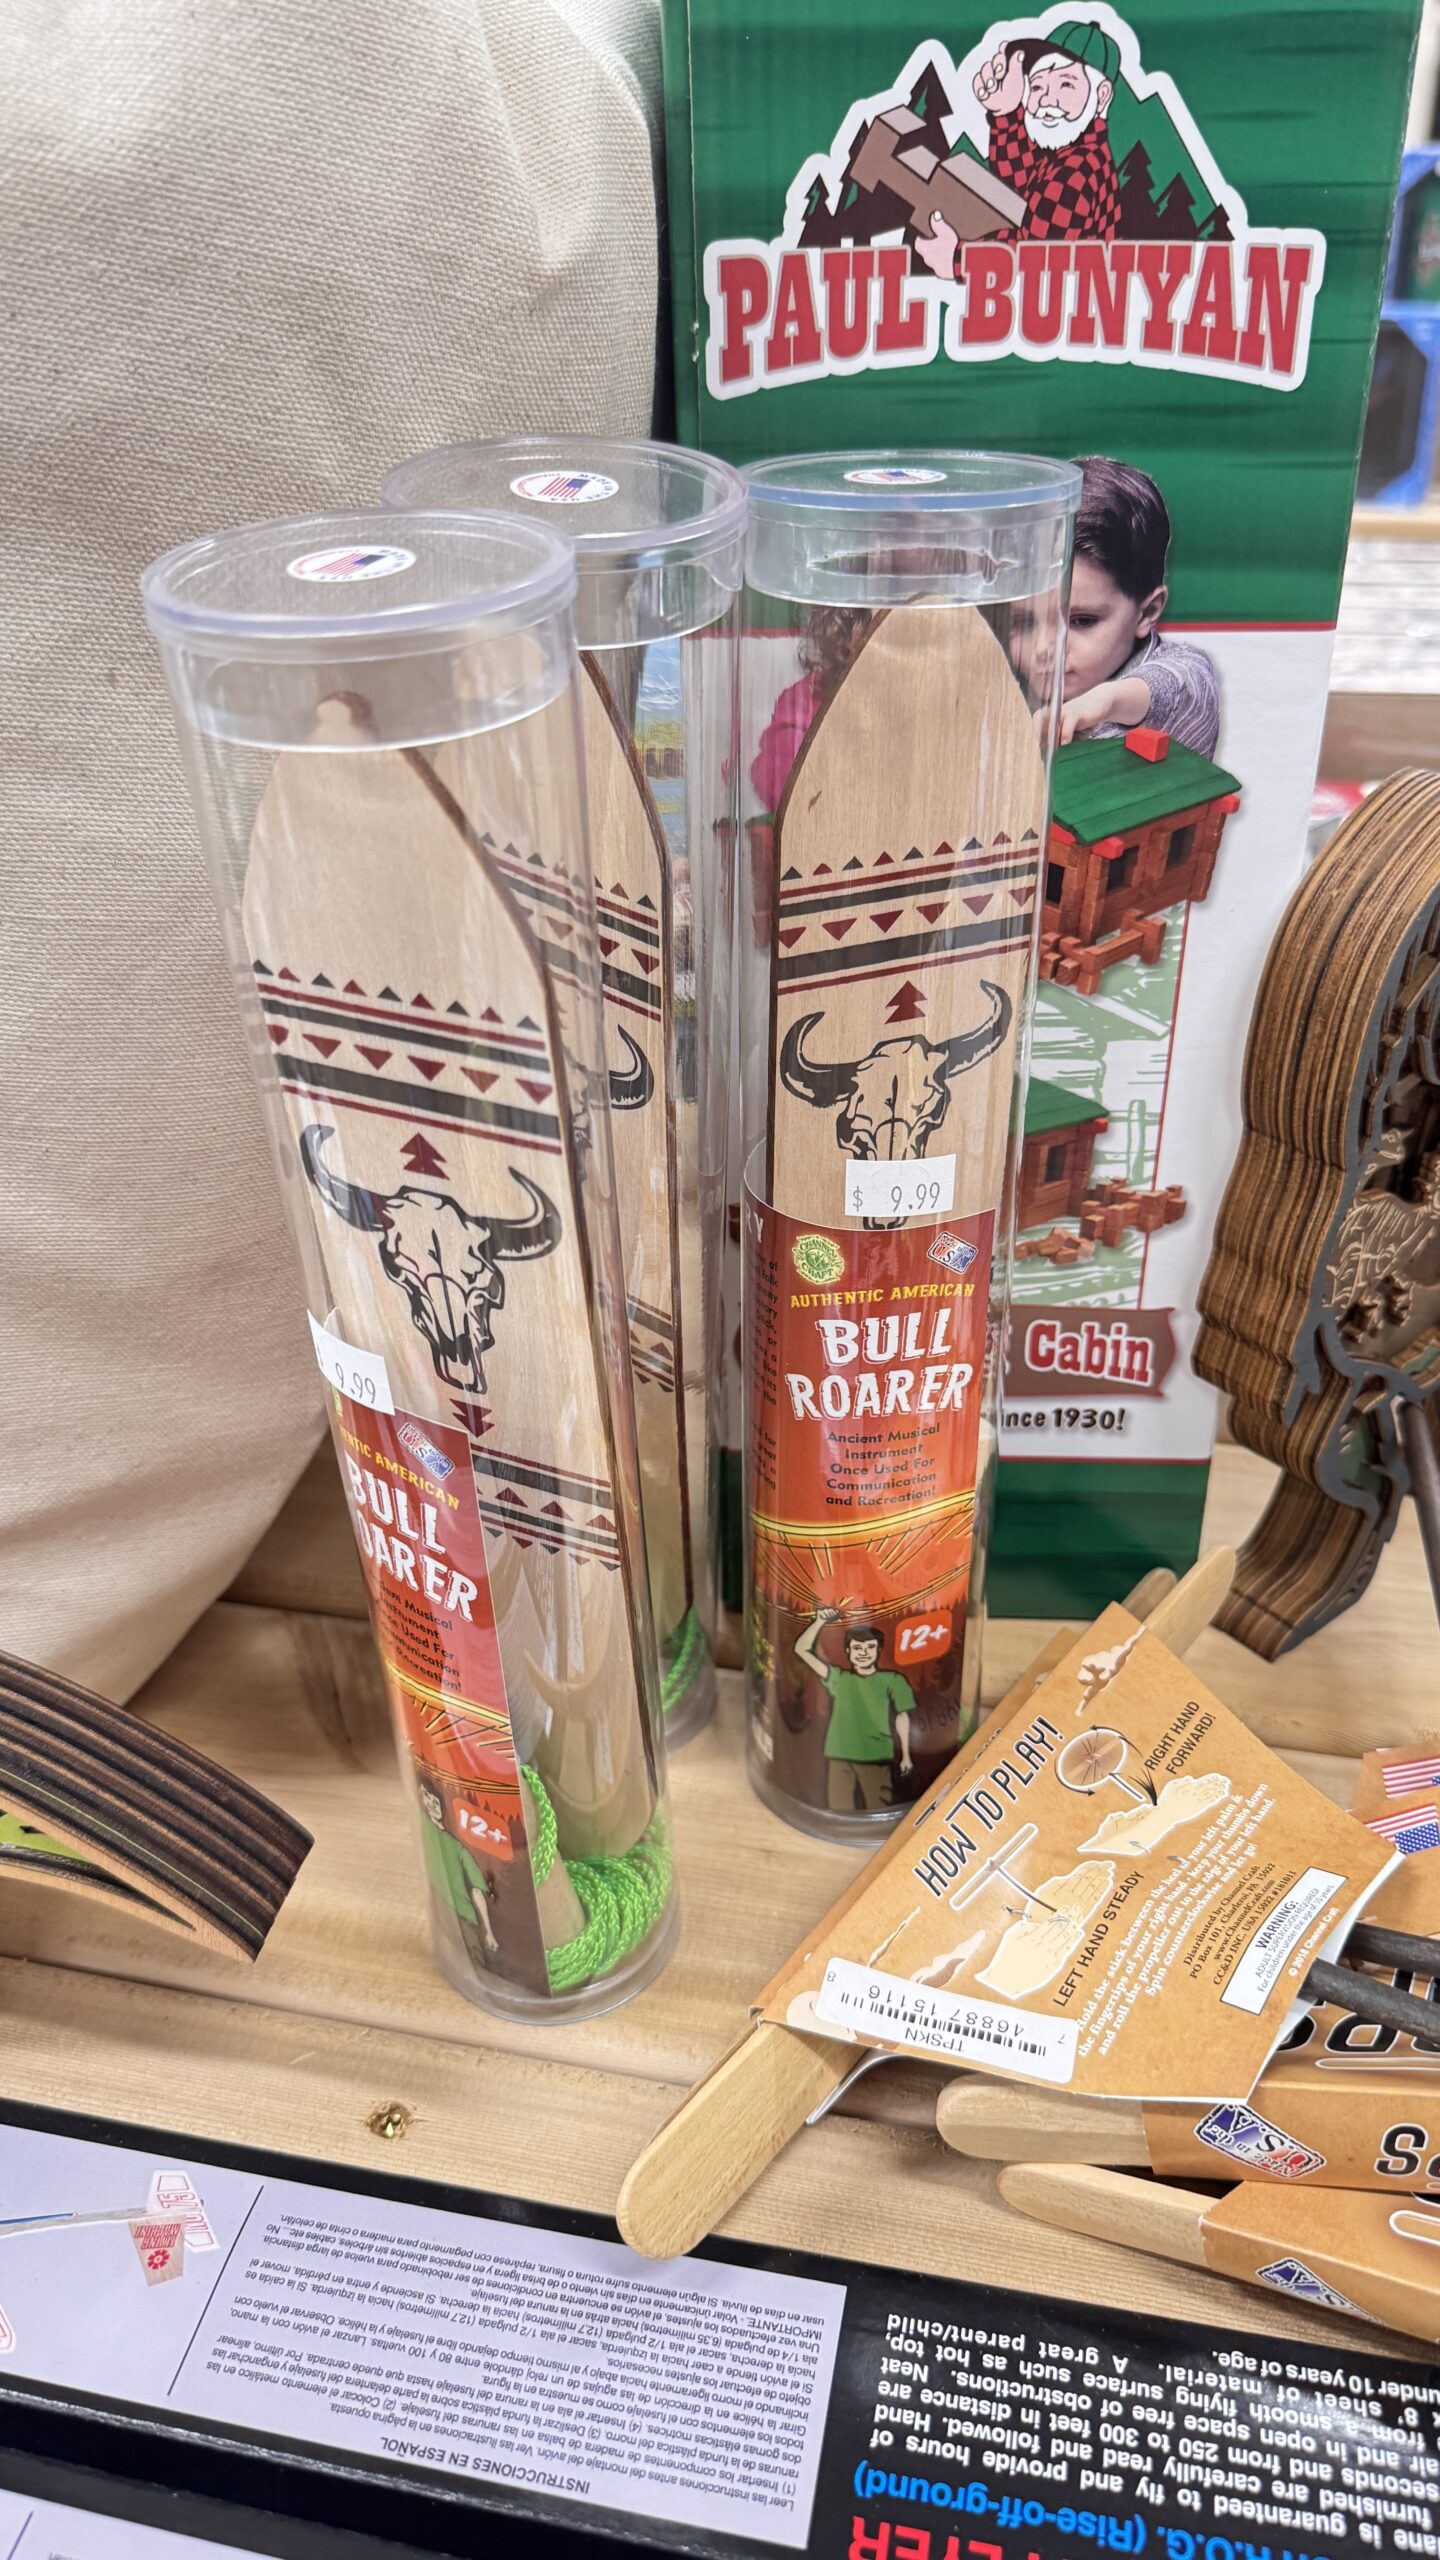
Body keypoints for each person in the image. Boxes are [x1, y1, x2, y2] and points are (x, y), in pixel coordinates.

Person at [1057, 455, 1220, 754]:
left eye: (1082, 621)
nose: (1047, 646)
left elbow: (1172, 685)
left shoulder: (1185, 670)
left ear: (1147, 612)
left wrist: (1107, 700)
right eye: (1026, 621)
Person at [917, 19, 1122, 256]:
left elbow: (1034, 255)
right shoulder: (1066, 151)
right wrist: (1006, 113)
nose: (1046, 100)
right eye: (1037, 86)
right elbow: (1023, 183)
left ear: (1101, 96)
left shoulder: (1079, 170)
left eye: (1066, 85)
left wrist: (958, 258)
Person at [794, 1606, 916, 1814]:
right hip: (839, 1755)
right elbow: (802, 1650)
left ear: (878, 1650)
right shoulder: (839, 1678)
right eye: (857, 1648)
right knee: (838, 1809)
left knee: (878, 1807)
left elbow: (902, 1717)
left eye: (870, 1647)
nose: (863, 1653)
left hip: (876, 1757)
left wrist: (906, 1755)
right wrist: (819, 1622)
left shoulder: (893, 1680)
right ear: (848, 1652)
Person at [416, 1775, 498, 1974]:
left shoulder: (458, 1847)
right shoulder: (425, 1825)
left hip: (464, 1916)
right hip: (443, 1908)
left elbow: (477, 1890)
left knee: (475, 1964)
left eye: (435, 1801)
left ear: (441, 1807)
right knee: (463, 1962)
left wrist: (488, 1932)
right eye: (427, 1799)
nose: (431, 1804)